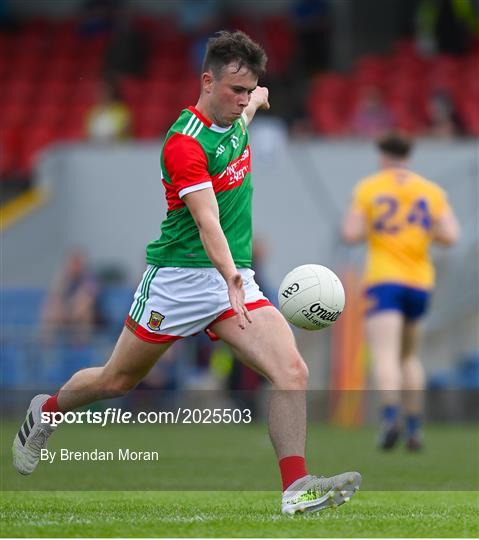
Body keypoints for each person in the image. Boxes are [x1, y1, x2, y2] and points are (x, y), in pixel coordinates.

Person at [13, 30, 361, 514]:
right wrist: (232, 276)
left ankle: (295, 488)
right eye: (234, 90)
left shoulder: (242, 112)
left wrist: (259, 96)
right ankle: (45, 412)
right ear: (207, 81)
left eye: (248, 90)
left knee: (291, 370)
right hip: (176, 280)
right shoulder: (183, 143)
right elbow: (206, 219)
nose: (242, 100)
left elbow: (254, 104)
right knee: (117, 381)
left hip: (231, 281)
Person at [342, 132, 460, 451]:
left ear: (383, 157)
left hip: (384, 279)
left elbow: (351, 233)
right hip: (420, 282)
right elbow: (450, 235)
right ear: (409, 156)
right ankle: (414, 426)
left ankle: (390, 417)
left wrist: (373, 227)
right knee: (409, 357)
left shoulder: (369, 188)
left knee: (384, 355)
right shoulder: (430, 190)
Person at [40, 249, 101, 345]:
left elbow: (85, 301)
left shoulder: (90, 279)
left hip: (94, 319)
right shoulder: (65, 279)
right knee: (50, 311)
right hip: (68, 314)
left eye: (78, 263)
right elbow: (55, 297)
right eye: (72, 263)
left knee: (84, 312)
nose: (75, 266)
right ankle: (47, 347)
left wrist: (69, 313)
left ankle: (81, 345)